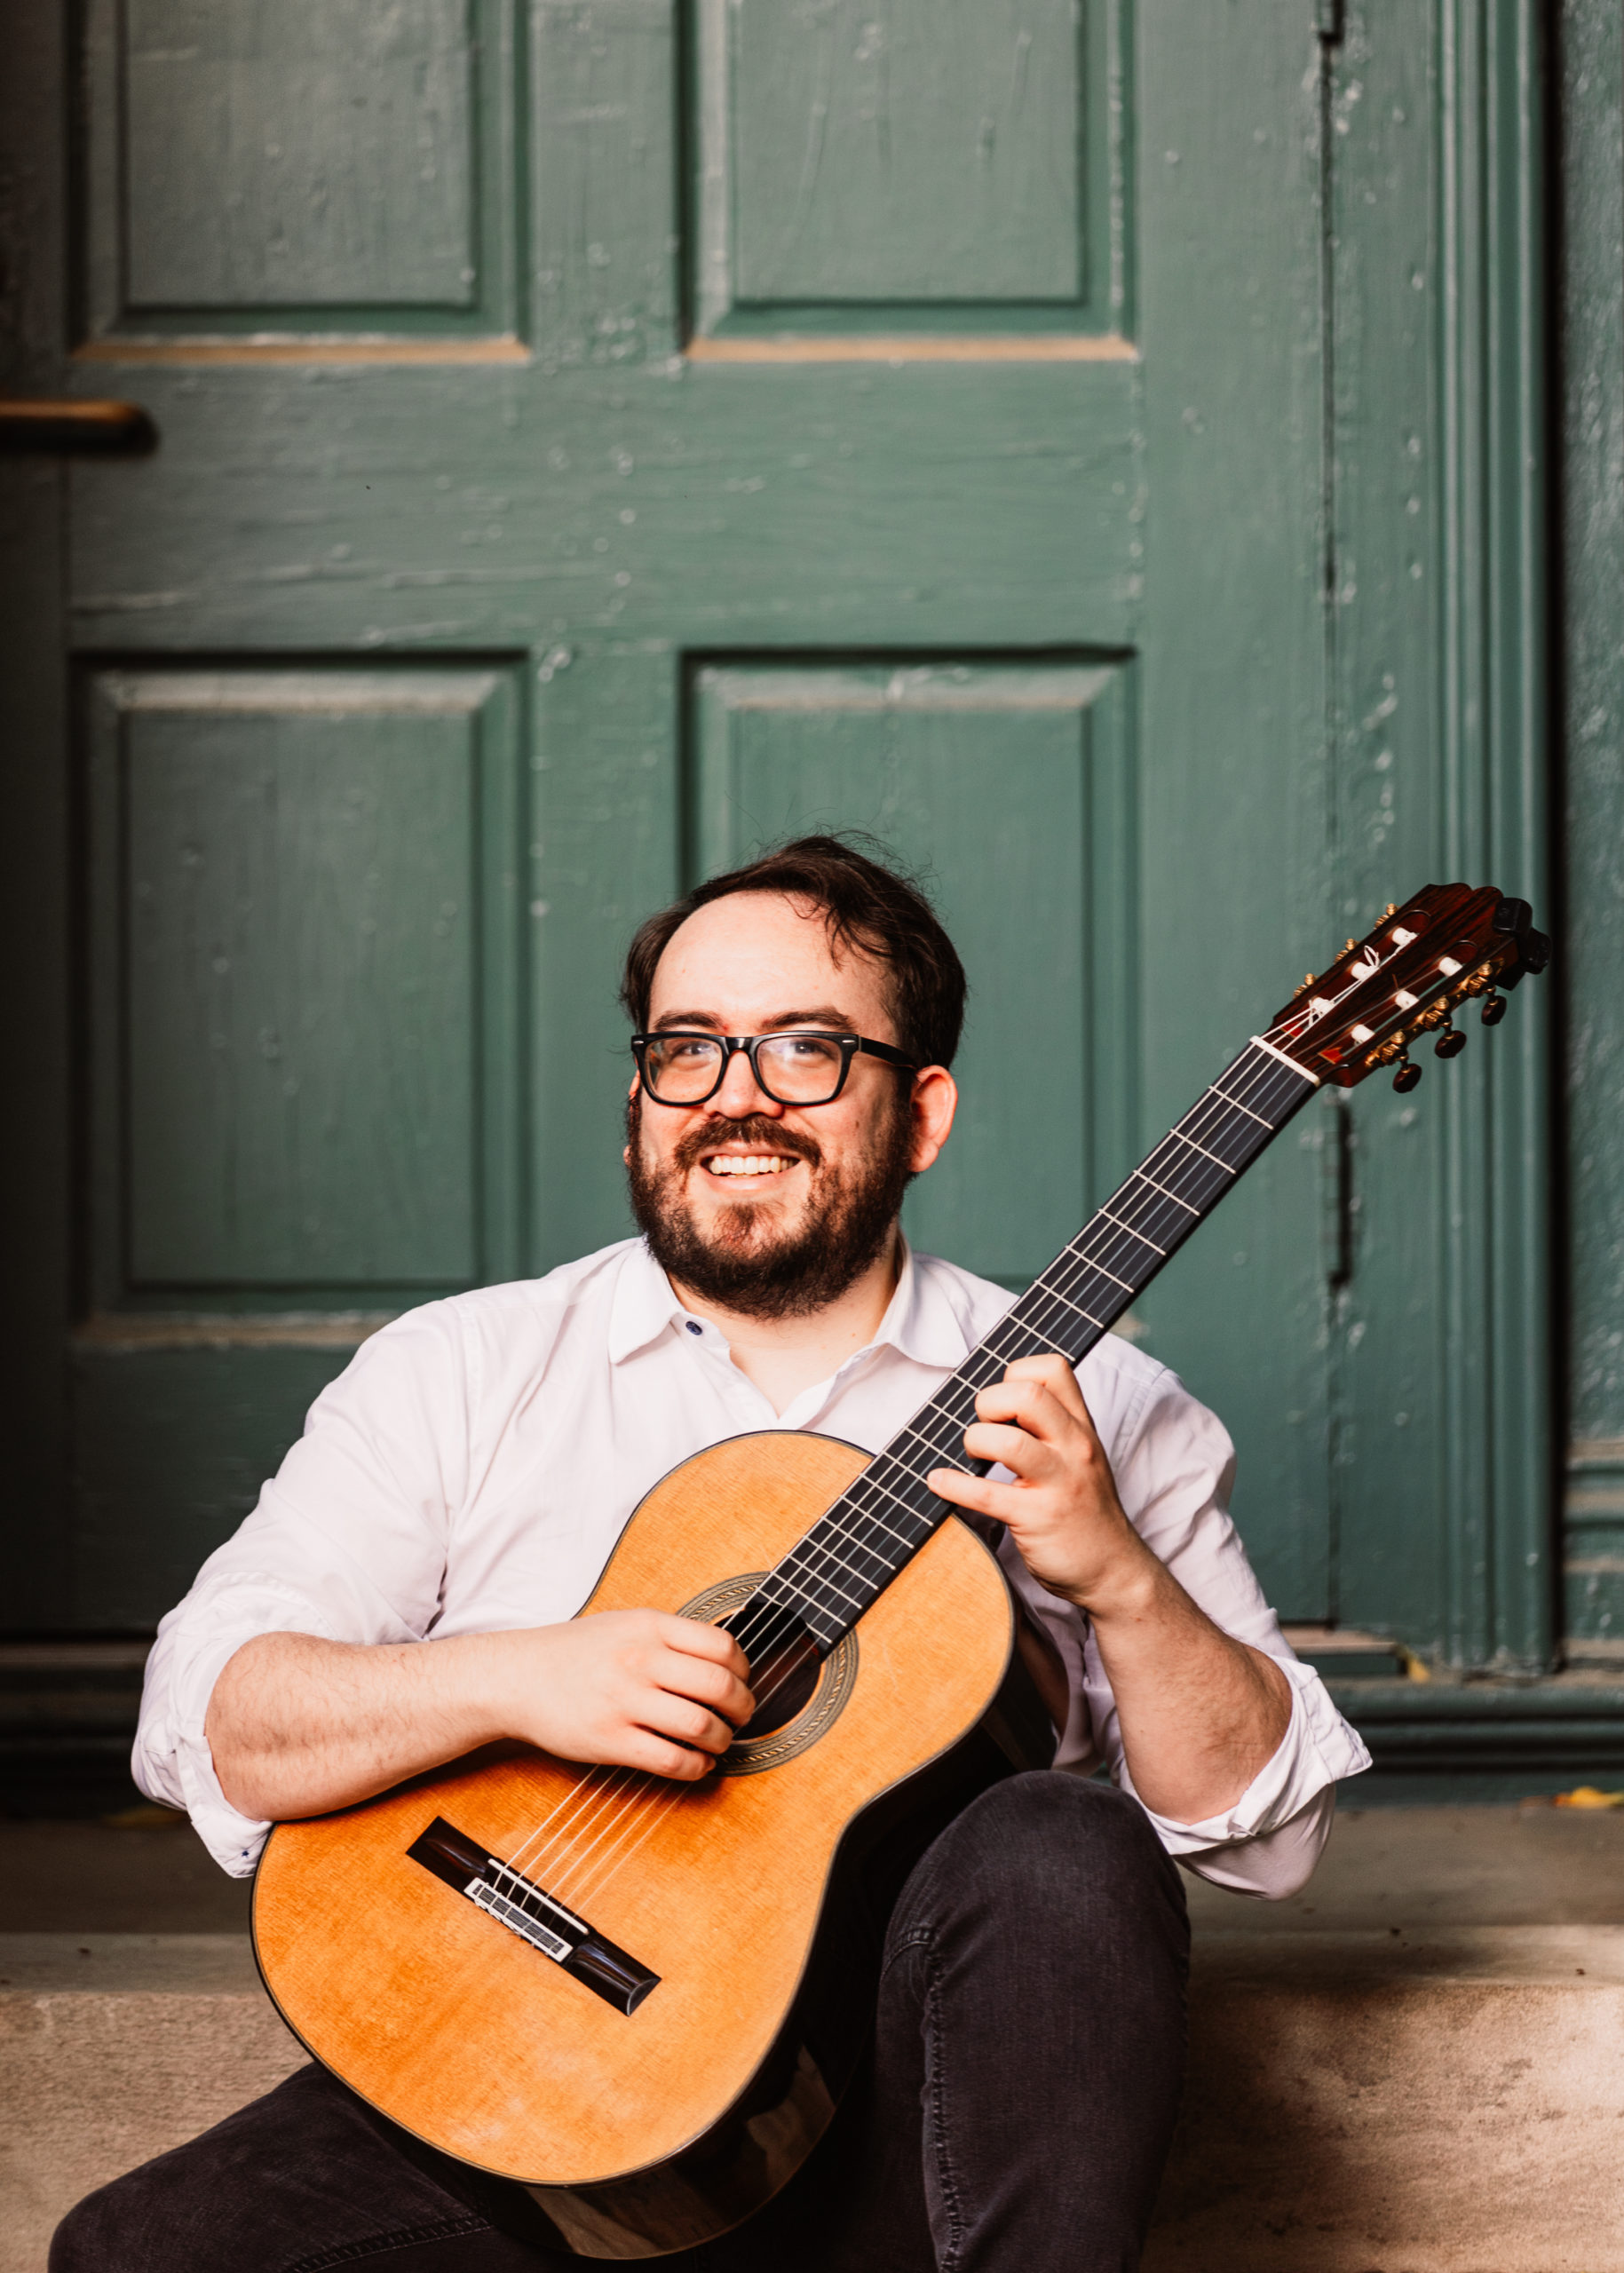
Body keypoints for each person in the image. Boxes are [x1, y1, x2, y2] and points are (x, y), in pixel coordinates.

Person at [54, 835, 1367, 2273]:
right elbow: (212, 1716)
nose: (736, 1098)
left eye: (806, 1049)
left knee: (1061, 1837)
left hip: (901, 2123)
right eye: (687, 1049)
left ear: (919, 1111)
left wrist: (1116, 1578)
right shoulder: (461, 1370)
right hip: (520, 2091)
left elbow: (1273, 1839)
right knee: (133, 2253)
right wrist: (512, 1681)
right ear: (637, 1103)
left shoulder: (1096, 1403)